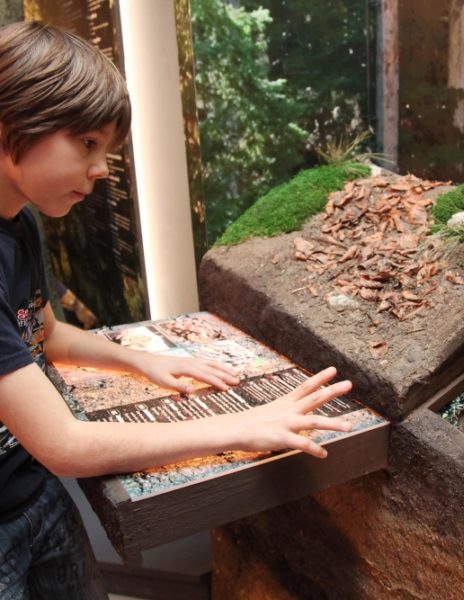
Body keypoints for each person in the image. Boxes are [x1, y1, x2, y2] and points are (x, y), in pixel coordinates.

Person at [0, 21, 352, 599]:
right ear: (16, 119)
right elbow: (63, 442)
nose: (100, 169)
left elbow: (45, 335)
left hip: (31, 489)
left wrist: (142, 363)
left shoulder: (22, 223)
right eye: (86, 144)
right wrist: (241, 426)